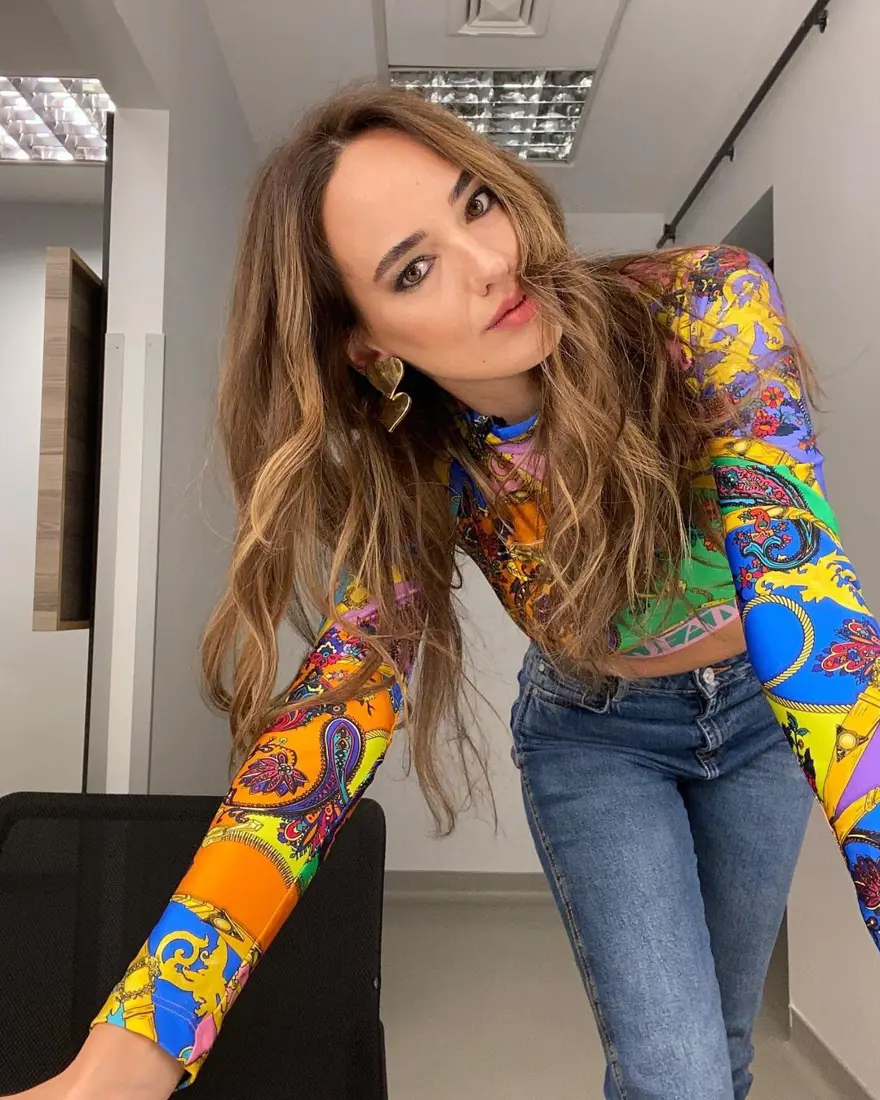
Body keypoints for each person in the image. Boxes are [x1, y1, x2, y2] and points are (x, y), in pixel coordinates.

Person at [12, 83, 880, 1100]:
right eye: (413, 270)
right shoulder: (421, 463)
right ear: (370, 342)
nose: (491, 263)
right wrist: (135, 1047)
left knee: (722, 1046)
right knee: (675, 1076)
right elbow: (332, 718)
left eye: (477, 203)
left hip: (763, 713)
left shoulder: (702, 305)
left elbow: (802, 592)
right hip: (598, 735)